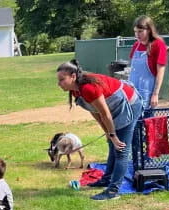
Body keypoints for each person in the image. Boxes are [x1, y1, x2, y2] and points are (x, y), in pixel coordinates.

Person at [56, 59, 143, 200]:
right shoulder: (76, 91)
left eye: (62, 80)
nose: (59, 84)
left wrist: (114, 136)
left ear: (73, 76)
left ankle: (113, 191)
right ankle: (107, 179)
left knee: (121, 149)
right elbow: (95, 111)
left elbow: (105, 114)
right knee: (112, 144)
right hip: (113, 109)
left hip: (129, 105)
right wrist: (108, 133)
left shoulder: (88, 88)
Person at [129, 15, 167, 109]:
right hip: (132, 90)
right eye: (135, 32)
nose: (137, 35)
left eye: (140, 31)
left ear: (149, 30)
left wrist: (155, 94)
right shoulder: (136, 45)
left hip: (147, 92)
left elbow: (160, 72)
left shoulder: (159, 44)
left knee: (146, 121)